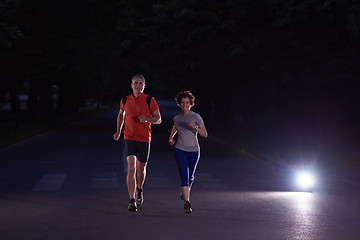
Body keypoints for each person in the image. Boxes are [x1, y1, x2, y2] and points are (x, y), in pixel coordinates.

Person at [114, 74, 162, 212]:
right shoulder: (124, 100)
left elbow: (159, 119)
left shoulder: (149, 100)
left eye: (141, 83)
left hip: (145, 138)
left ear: (144, 85)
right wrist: (118, 131)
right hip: (129, 137)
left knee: (141, 168)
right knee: (131, 168)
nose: (138, 85)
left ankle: (139, 189)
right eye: (135, 83)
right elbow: (121, 115)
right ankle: (131, 200)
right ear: (131, 85)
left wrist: (147, 119)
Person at [168, 90, 208, 214]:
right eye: (182, 103)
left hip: (194, 151)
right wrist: (171, 136)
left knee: (190, 177)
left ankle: (185, 193)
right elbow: (176, 126)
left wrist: (194, 127)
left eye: (187, 102)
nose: (184, 105)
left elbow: (205, 134)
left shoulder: (196, 117)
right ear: (179, 104)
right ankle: (187, 202)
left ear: (191, 104)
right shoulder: (176, 118)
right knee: (184, 175)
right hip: (180, 149)